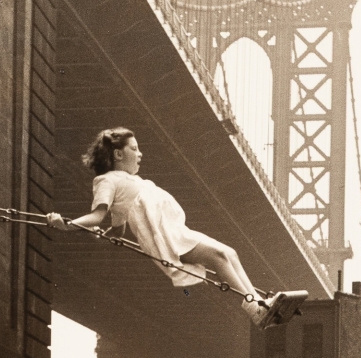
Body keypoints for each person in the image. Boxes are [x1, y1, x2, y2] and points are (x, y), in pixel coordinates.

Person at [46, 127, 306, 329]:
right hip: (163, 236)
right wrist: (65, 226)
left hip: (173, 227)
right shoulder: (106, 180)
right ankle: (254, 308)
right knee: (219, 256)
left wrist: (109, 237)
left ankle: (259, 304)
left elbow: (118, 228)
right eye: (135, 149)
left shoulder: (130, 180)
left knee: (229, 253)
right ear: (118, 154)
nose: (140, 154)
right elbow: (96, 215)